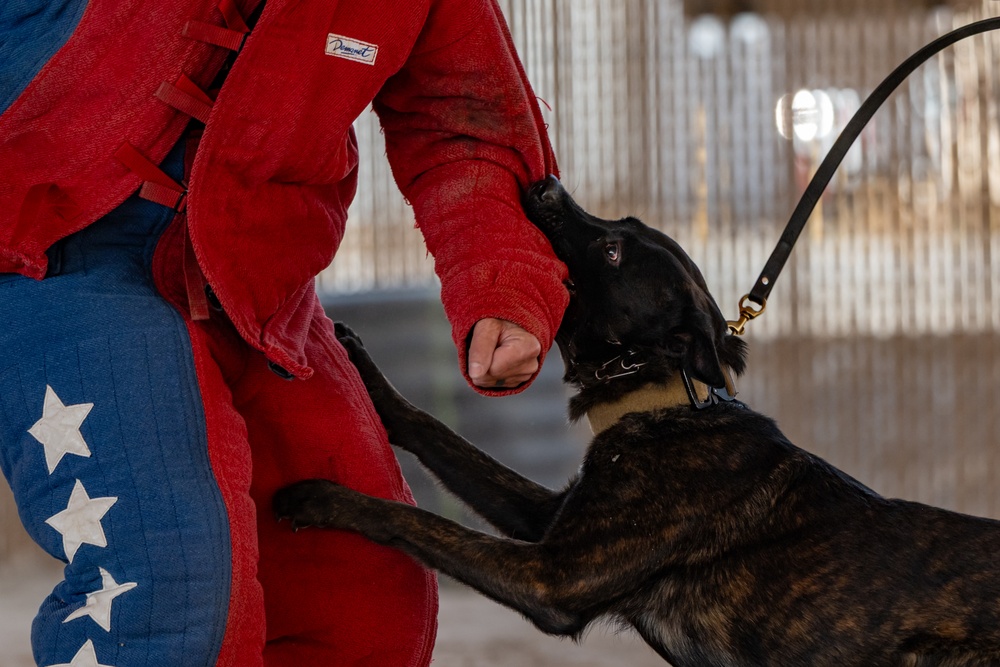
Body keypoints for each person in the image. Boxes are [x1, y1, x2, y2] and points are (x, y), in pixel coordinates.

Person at [0, 0, 569, 665]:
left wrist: (500, 285)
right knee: (167, 591)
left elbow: (463, 117)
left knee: (363, 607)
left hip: (258, 284)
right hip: (57, 251)